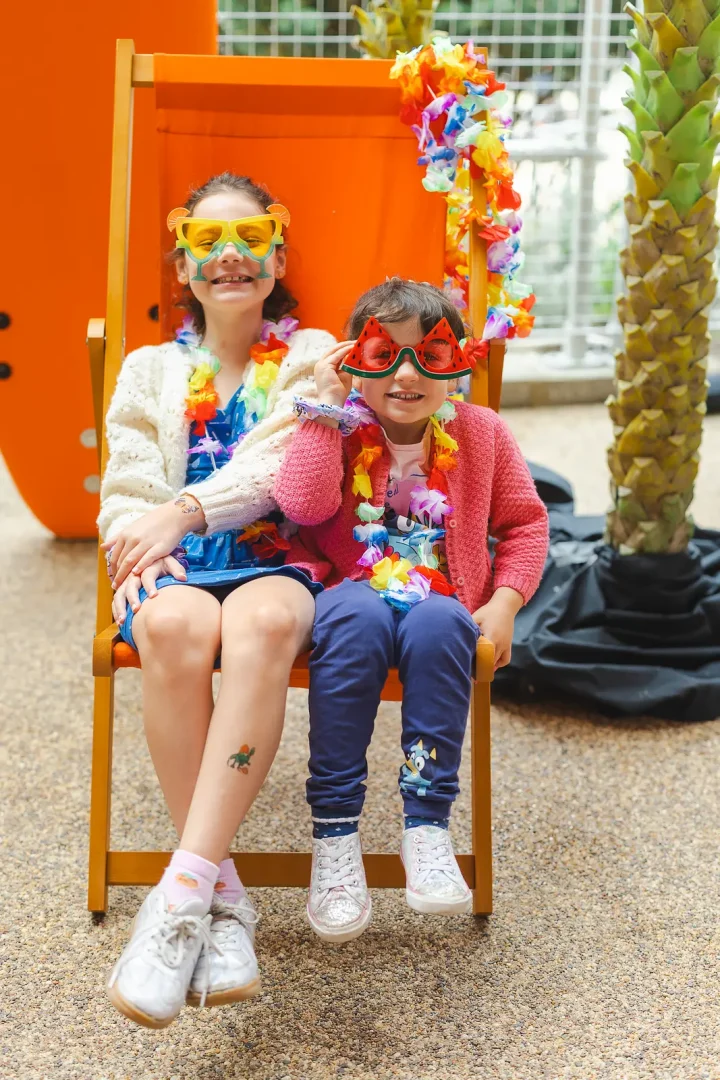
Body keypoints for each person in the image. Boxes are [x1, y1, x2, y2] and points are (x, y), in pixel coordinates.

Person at [99, 172, 334, 1027]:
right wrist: (136, 548)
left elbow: (280, 471)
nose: (230, 255)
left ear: (276, 255)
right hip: (173, 567)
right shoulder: (148, 367)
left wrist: (185, 509)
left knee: (264, 620)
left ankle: (178, 898)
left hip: (277, 560)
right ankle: (224, 902)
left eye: (249, 238)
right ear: (183, 267)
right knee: (168, 622)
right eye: (206, 242)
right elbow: (126, 487)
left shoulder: (313, 356)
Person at [275, 278, 548, 942]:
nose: (406, 371)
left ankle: (426, 827)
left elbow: (526, 526)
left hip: (444, 595)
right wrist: (323, 404)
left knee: (439, 627)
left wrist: (506, 601)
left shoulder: (481, 433)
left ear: (456, 366)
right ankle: (336, 836)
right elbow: (301, 507)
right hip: (351, 587)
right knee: (358, 622)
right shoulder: (337, 425)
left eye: (429, 353)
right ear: (352, 361)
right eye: (381, 353)